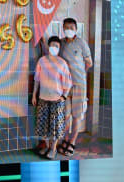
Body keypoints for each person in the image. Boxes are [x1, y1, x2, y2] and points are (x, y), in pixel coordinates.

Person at [32, 36, 72, 160]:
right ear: (48, 46)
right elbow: (37, 79)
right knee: (43, 125)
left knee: (55, 127)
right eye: (52, 45)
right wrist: (34, 95)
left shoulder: (62, 63)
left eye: (57, 46)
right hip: (43, 98)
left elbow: (68, 82)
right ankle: (47, 146)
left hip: (57, 100)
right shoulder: (42, 61)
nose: (54, 48)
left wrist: (64, 96)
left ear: (59, 48)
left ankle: (53, 148)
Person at [57, 18, 92, 157]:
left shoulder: (81, 43)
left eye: (71, 27)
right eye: (66, 27)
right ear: (63, 29)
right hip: (65, 86)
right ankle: (65, 139)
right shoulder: (61, 43)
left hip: (79, 84)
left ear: (76, 29)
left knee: (77, 115)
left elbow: (89, 62)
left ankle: (72, 142)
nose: (68, 30)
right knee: (66, 115)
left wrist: (80, 74)